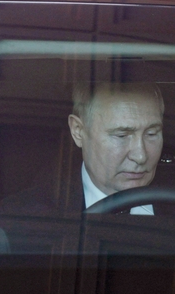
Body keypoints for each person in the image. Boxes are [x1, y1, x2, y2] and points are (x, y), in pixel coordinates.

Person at [67, 82, 164, 214]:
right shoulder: (35, 211)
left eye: (151, 134)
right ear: (79, 132)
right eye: (122, 136)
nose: (141, 156)